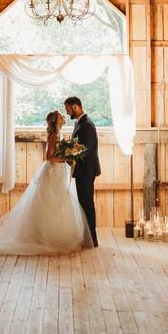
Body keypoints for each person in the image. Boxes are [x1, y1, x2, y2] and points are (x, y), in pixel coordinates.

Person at [0, 110, 93, 255]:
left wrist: (67, 155)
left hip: (58, 171)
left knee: (58, 201)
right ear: (56, 121)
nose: (63, 117)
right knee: (52, 201)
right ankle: (47, 237)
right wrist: (65, 158)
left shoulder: (58, 134)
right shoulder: (54, 135)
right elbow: (49, 157)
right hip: (53, 170)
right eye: (60, 116)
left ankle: (52, 234)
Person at [64, 96, 100, 247]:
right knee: (83, 203)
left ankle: (92, 238)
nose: (67, 112)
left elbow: (87, 148)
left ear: (76, 107)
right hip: (82, 170)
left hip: (87, 170)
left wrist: (69, 154)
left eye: (68, 109)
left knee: (87, 204)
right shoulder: (80, 123)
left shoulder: (87, 125)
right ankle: (87, 237)